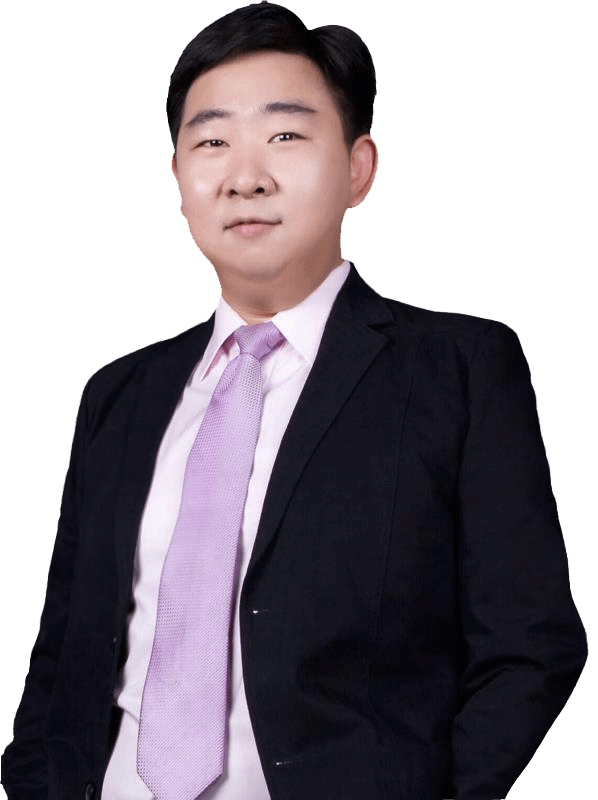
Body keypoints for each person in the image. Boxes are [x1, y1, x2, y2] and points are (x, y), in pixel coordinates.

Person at [1, 3, 587, 799]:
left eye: (284, 135)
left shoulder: (458, 370)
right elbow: (62, 653)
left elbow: (532, 644)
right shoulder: (117, 395)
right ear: (178, 179)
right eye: (211, 142)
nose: (245, 177)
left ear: (358, 169)